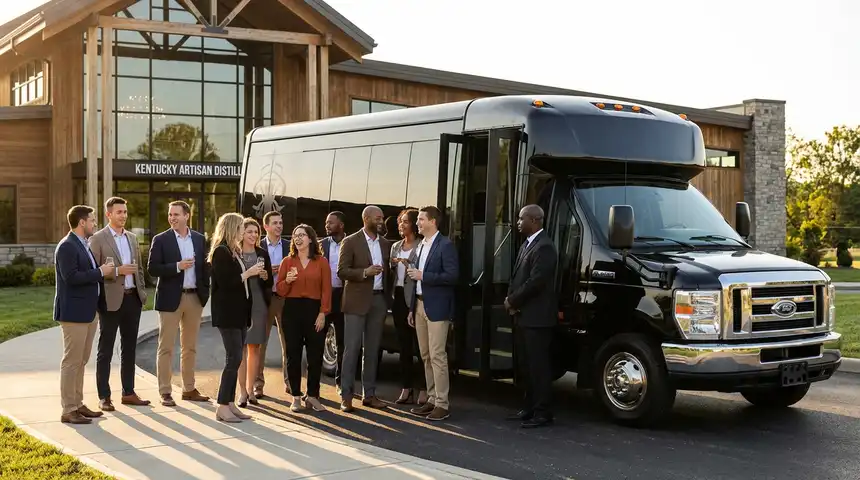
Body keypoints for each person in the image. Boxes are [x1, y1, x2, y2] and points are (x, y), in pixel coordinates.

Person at [88, 197, 150, 411]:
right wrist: (117, 272)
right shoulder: (97, 239)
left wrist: (141, 291)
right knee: (105, 349)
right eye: (119, 212)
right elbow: (93, 272)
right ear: (109, 215)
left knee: (129, 348)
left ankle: (129, 392)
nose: (123, 215)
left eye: (125, 212)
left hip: (132, 299)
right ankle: (104, 396)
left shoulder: (132, 238)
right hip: (110, 301)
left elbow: (139, 268)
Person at [147, 200, 210, 406]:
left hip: (194, 298)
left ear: (186, 216)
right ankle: (165, 391)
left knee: (189, 347)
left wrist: (205, 293)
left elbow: (205, 269)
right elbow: (152, 269)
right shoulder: (161, 239)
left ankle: (189, 389)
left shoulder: (200, 240)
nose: (172, 218)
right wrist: (177, 266)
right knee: (165, 347)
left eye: (176, 214)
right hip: (169, 299)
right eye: (170, 214)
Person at [54, 205, 113, 424]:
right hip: (73, 313)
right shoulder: (67, 246)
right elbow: (71, 278)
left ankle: (78, 404)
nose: (95, 224)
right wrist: (100, 272)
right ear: (81, 223)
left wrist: (101, 271)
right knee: (72, 361)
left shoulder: (83, 244)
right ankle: (68, 409)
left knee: (81, 361)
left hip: (88, 312)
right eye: (92, 220)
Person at [504, 204, 558, 428]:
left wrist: (513, 300)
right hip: (523, 316)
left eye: (521, 218)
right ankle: (528, 408)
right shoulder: (528, 244)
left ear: (534, 220)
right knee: (525, 366)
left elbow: (535, 282)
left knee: (538, 367)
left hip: (537, 319)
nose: (517, 222)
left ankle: (542, 412)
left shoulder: (544, 247)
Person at [336, 205, 392, 412]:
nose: (381, 221)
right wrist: (365, 272)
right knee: (351, 349)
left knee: (372, 349)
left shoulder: (386, 244)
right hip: (356, 301)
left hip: (378, 301)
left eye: (382, 218)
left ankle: (369, 394)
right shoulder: (350, 241)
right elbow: (342, 271)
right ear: (366, 218)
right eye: (378, 218)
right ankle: (346, 395)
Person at [209, 213, 263, 422]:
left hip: (239, 313)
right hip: (228, 314)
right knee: (233, 359)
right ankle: (222, 406)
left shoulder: (234, 251)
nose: (243, 231)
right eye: (241, 227)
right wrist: (248, 273)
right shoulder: (221, 252)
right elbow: (227, 283)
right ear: (232, 228)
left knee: (236, 357)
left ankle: (230, 403)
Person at [407, 205, 459, 421]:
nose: (417, 223)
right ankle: (431, 399)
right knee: (426, 355)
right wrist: (411, 308)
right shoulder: (420, 246)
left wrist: (424, 275)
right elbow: (413, 280)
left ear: (433, 221)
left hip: (437, 308)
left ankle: (442, 404)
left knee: (438, 356)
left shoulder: (445, 245)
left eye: (420, 219)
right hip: (419, 306)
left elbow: (452, 276)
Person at [276, 224, 332, 412]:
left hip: (314, 310)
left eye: (302, 235)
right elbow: (280, 290)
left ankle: (313, 396)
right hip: (292, 310)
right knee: (293, 354)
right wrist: (288, 281)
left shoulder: (321, 262)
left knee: (315, 356)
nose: (298, 238)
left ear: (310, 239)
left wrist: (323, 313)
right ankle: (296, 397)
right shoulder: (287, 262)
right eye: (295, 235)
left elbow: (326, 289)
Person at [389, 209, 428, 405]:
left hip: (414, 299)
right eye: (400, 222)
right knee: (403, 347)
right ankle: (406, 388)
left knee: (420, 348)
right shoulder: (395, 246)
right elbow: (392, 272)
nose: (401, 225)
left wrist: (408, 263)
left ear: (413, 224)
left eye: (405, 222)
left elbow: (422, 270)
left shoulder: (421, 246)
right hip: (398, 300)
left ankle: (423, 389)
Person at [236, 217, 273, 407]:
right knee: (240, 347)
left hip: (259, 304)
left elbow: (270, 283)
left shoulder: (262, 254)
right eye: (249, 231)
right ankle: (242, 391)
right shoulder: (235, 253)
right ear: (242, 233)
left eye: (256, 232)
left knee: (255, 347)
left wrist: (266, 277)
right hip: (240, 304)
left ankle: (251, 390)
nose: (253, 235)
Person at [256, 211, 289, 398]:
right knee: (261, 343)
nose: (279, 226)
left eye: (281, 222)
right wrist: (269, 271)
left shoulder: (288, 246)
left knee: (288, 343)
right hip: (264, 298)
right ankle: (258, 384)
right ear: (266, 226)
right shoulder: (257, 246)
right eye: (275, 223)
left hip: (285, 298)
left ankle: (289, 382)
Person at [320, 211, 346, 391]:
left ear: (341, 225)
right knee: (317, 339)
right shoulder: (320, 245)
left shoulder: (350, 243)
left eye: (331, 223)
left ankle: (341, 382)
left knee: (343, 341)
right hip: (325, 297)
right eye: (326, 222)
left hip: (344, 296)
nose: (327, 226)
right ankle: (314, 388)